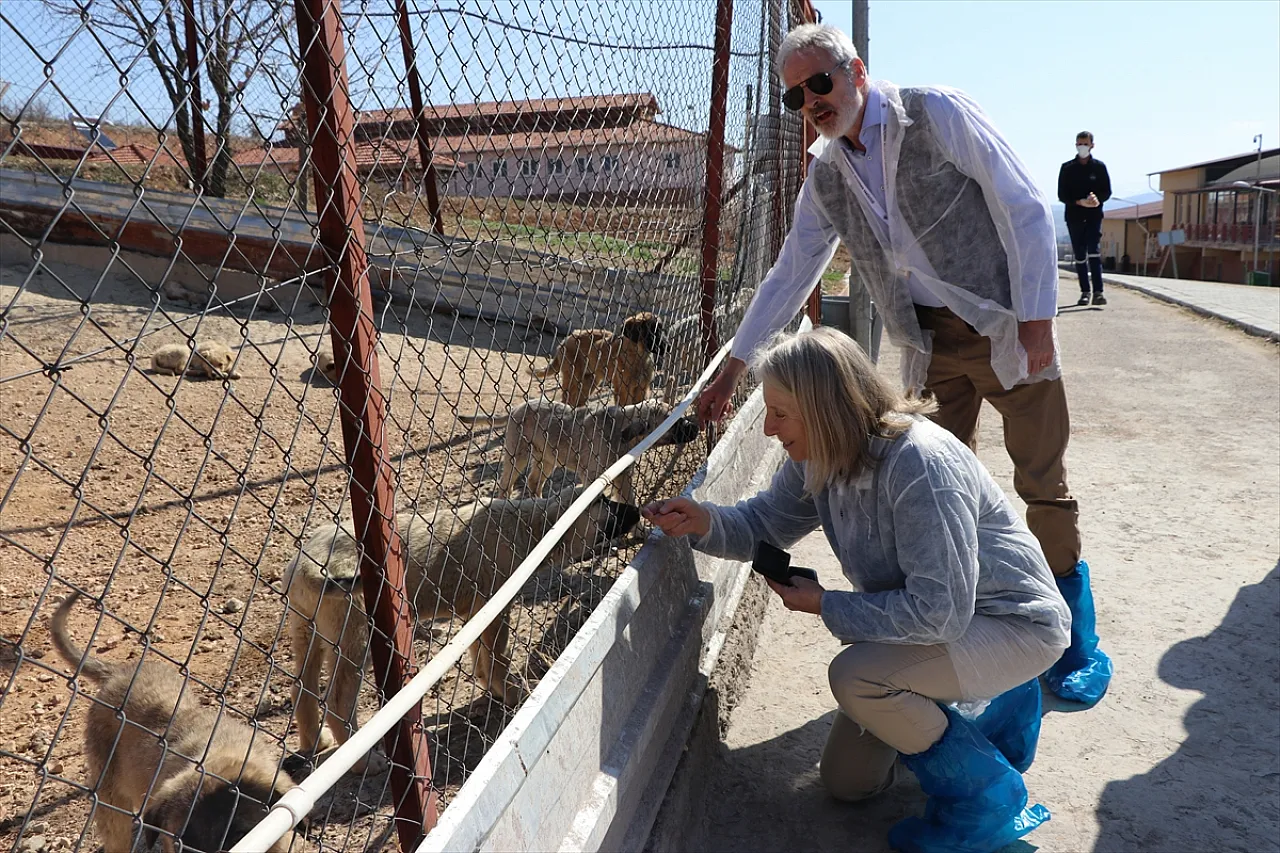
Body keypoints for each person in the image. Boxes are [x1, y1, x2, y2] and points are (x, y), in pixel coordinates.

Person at [695, 23, 1111, 707]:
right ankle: (973, 643)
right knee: (942, 487)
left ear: (855, 70)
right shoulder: (826, 173)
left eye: (820, 82)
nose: (813, 102)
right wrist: (737, 365)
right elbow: (792, 270)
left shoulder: (934, 112)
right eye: (797, 96)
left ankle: (1072, 641)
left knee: (1042, 477)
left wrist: (1038, 317)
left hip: (1002, 323)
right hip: (925, 344)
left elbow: (1024, 204)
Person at [647, 328, 1069, 852]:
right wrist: (702, 521)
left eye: (779, 412)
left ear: (825, 406)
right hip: (938, 625)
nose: (769, 429)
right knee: (849, 784)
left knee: (857, 678)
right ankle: (983, 705)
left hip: (1010, 625)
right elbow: (767, 522)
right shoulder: (822, 452)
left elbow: (939, 614)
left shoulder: (920, 466)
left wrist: (827, 604)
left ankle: (986, 800)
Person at [1058, 131, 1112, 306]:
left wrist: (1097, 200)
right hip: (1074, 216)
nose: (1082, 147)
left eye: (1085, 144)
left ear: (1092, 145)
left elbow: (1106, 191)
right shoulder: (1067, 168)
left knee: (1094, 251)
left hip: (1094, 216)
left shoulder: (1099, 167)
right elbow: (1062, 195)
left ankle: (1098, 292)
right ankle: (1084, 292)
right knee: (1080, 255)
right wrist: (1078, 202)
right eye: (1079, 144)